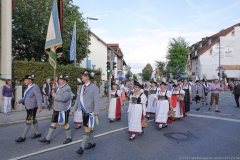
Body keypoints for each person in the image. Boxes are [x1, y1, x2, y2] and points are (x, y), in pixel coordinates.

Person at [72, 70, 100, 155]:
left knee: (86, 128)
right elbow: (78, 99)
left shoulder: (94, 87)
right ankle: (92, 143)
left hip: (90, 112)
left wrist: (96, 111)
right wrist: (74, 108)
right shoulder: (81, 87)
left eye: (83, 76)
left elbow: (97, 100)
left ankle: (81, 148)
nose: (82, 77)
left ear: (88, 77)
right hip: (83, 111)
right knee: (89, 128)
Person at [39, 75, 72, 144]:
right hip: (57, 108)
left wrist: (55, 96)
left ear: (64, 81)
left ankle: (69, 137)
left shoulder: (67, 88)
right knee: (53, 122)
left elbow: (64, 99)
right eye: (59, 79)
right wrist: (53, 90)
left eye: (60, 79)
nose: (59, 80)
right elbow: (53, 95)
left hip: (63, 109)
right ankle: (48, 138)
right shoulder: (59, 87)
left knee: (65, 123)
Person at [15, 75, 42, 143]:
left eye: (26, 80)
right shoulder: (27, 88)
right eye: (24, 80)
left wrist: (40, 107)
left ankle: (23, 137)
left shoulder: (35, 87)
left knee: (28, 120)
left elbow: (39, 97)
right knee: (34, 119)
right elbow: (25, 97)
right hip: (28, 107)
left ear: (30, 80)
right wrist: (19, 101)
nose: (24, 81)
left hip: (32, 107)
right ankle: (38, 133)